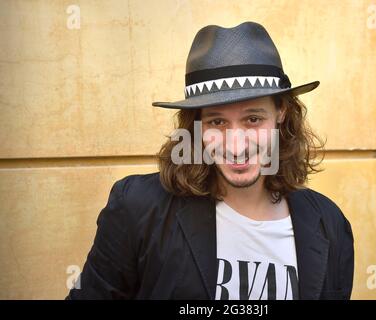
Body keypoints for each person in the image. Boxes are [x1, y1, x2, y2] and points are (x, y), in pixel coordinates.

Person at [66, 21, 354, 300]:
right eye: (217, 122)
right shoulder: (138, 209)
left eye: (253, 119)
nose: (236, 144)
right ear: (197, 125)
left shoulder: (329, 224)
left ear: (281, 112)